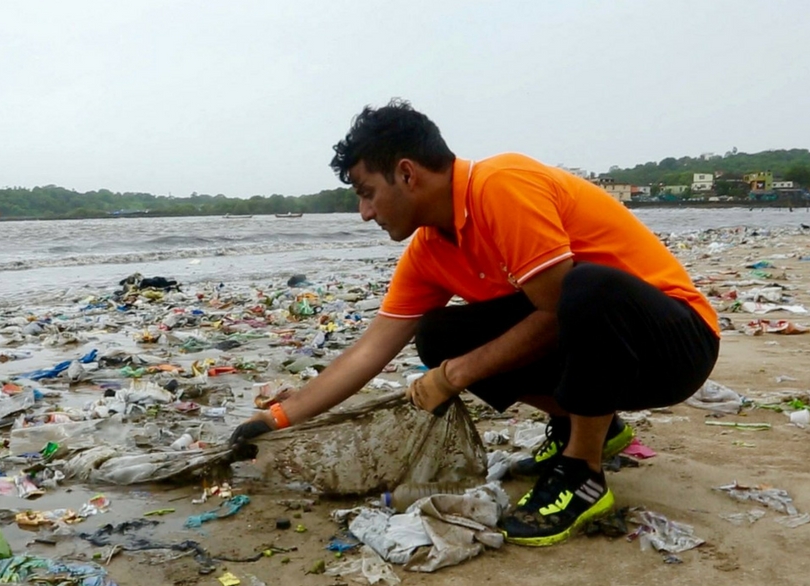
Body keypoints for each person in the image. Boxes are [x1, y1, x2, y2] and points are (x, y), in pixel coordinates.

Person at [229, 99, 719, 547]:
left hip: (675, 345)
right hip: (600, 354)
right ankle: (591, 423)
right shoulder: (429, 250)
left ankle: (581, 472)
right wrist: (274, 420)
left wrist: (455, 376)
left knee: (584, 287)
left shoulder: (500, 185)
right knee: (439, 334)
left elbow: (556, 314)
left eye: (367, 193)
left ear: (407, 173)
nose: (364, 213)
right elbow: (369, 351)